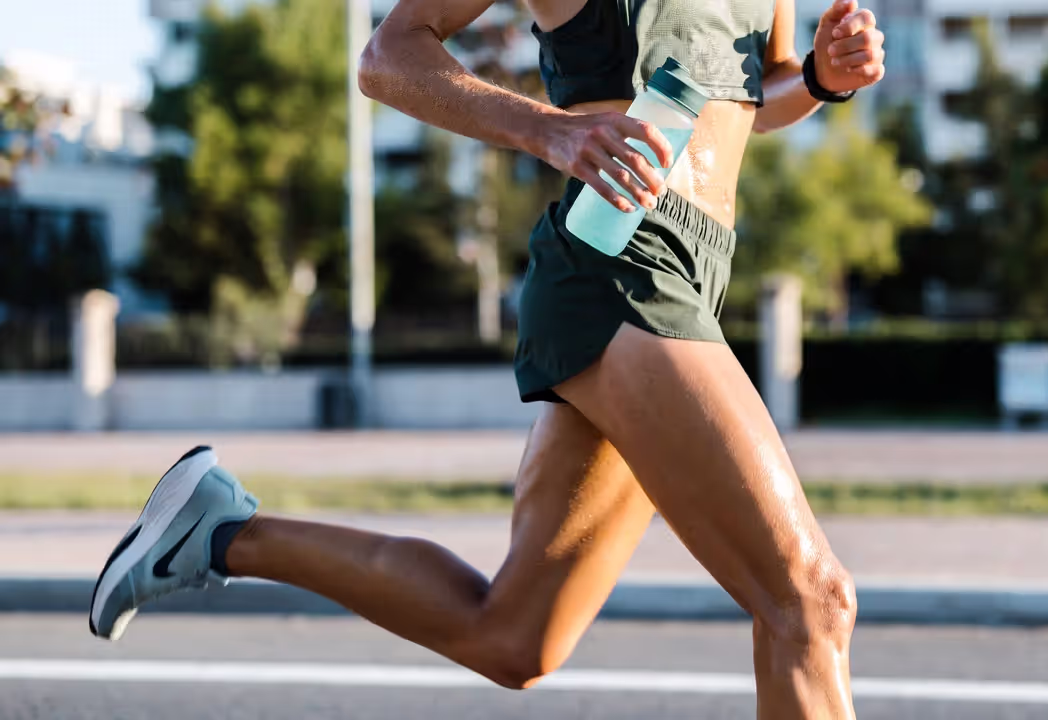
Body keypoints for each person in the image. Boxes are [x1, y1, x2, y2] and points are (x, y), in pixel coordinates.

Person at [89, 0, 886, 717]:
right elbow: (390, 55)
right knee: (810, 604)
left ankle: (223, 530)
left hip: (697, 268)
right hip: (621, 263)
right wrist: (550, 129)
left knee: (513, 636)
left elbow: (757, 97)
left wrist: (819, 77)